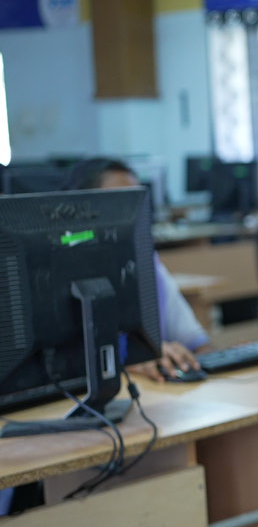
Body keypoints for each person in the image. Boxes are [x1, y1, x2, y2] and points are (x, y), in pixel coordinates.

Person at [61, 158, 208, 382]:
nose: (130, 214)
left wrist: (194, 358)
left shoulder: (147, 263)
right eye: (118, 203)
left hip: (159, 394)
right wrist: (133, 363)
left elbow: (199, 344)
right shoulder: (58, 274)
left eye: (135, 202)